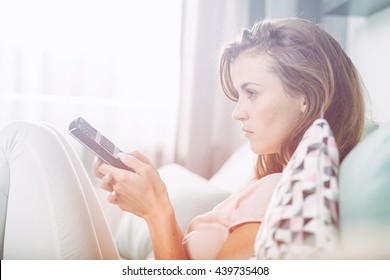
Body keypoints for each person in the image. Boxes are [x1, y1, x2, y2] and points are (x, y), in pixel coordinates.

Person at [0, 17, 365, 260]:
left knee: (28, 140)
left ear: (306, 96)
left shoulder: (281, 193)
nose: (237, 112)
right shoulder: (265, 184)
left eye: (251, 92)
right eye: (238, 96)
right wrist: (150, 205)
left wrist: (156, 208)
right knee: (37, 141)